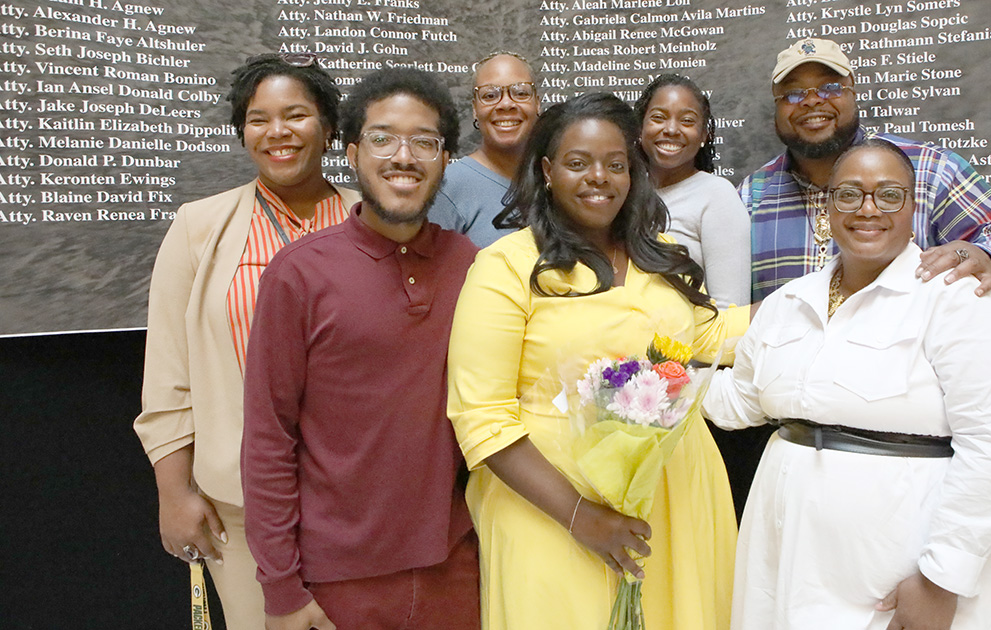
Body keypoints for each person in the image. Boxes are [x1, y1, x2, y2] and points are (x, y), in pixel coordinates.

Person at [704, 139, 991, 630]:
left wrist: (942, 577)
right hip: (793, 561)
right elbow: (739, 401)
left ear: (913, 207)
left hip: (908, 568)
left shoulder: (957, 299)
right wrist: (649, 384)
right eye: (849, 194)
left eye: (889, 195)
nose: (868, 209)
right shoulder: (788, 303)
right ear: (828, 207)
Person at [446, 93, 749, 630]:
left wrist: (831, 291)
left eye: (616, 164)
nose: (599, 178)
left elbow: (713, 338)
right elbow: (482, 416)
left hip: (673, 495)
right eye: (578, 162)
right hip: (552, 507)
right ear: (546, 170)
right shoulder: (505, 267)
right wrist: (580, 517)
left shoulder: (657, 255)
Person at [240, 68, 481, 630]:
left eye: (425, 141)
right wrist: (281, 588)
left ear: (445, 159)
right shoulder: (299, 274)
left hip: (457, 567)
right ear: (350, 153)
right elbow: (269, 438)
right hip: (336, 581)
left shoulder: (471, 265)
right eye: (382, 138)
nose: (404, 156)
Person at [133, 52, 356, 630]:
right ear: (242, 131)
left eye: (297, 115)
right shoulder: (199, 227)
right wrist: (174, 493)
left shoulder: (374, 218)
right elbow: (168, 373)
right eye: (259, 119)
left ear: (329, 127)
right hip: (242, 504)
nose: (277, 132)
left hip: (362, 500)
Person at [741, 38, 991, 307]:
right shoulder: (751, 197)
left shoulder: (930, 170)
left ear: (853, 91)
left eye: (830, 87)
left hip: (910, 360)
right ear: (776, 106)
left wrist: (987, 259)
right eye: (793, 93)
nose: (812, 100)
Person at [635, 74, 751, 308]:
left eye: (687, 121)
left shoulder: (716, 195)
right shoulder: (622, 194)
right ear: (639, 128)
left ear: (703, 135)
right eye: (658, 117)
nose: (671, 129)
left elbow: (730, 309)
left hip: (690, 343)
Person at [428, 51, 538, 247]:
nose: (506, 104)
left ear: (537, 103)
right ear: (474, 109)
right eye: (490, 95)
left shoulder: (555, 179)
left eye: (520, 93)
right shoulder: (447, 188)